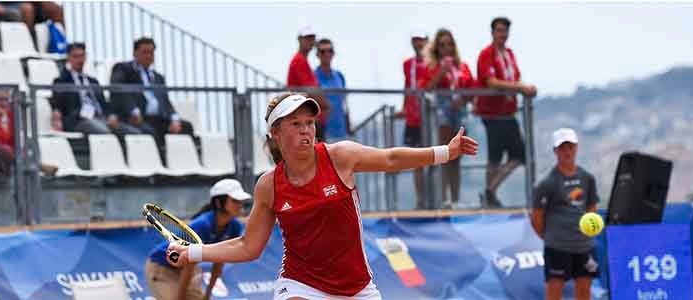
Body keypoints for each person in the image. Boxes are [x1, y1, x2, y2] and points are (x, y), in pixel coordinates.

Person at [167, 93, 478, 299]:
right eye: (295, 124)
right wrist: (194, 253)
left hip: (356, 287)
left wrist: (444, 152)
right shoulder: (269, 185)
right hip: (302, 283)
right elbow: (249, 246)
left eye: (309, 123)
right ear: (276, 133)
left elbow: (391, 159)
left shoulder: (340, 156)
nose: (306, 130)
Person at [145, 178, 250, 300]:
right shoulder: (202, 225)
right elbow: (188, 266)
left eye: (241, 201)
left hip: (188, 267)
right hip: (162, 267)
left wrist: (207, 295)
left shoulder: (234, 226)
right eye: (235, 200)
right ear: (218, 202)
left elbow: (219, 262)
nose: (240, 205)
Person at [475, 17, 538, 208]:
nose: (503, 35)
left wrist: (520, 88)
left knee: (518, 154)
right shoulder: (487, 54)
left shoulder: (508, 54)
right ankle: (489, 193)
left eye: (505, 31)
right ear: (493, 32)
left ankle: (490, 190)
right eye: (499, 31)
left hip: (507, 111)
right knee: (497, 155)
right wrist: (520, 87)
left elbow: (512, 77)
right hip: (493, 112)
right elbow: (490, 81)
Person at [530, 128, 599, 300]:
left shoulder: (587, 178)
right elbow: (537, 217)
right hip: (557, 246)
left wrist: (587, 233)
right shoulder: (547, 183)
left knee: (584, 289)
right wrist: (551, 238)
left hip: (584, 246)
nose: (567, 152)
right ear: (555, 151)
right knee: (555, 290)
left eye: (570, 147)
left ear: (576, 148)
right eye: (562, 148)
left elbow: (591, 207)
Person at [420, 28, 475, 209]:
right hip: (441, 111)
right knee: (445, 153)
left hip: (460, 112)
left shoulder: (462, 66)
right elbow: (426, 87)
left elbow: (472, 88)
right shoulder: (432, 67)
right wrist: (441, 72)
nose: (447, 48)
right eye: (442, 45)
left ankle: (456, 199)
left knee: (457, 157)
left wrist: (464, 98)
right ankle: (443, 198)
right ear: (437, 48)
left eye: (450, 44)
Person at [110, 37, 194, 144]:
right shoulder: (124, 69)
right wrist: (133, 110)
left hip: (159, 118)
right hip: (137, 118)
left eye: (151, 53)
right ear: (135, 53)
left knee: (186, 127)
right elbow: (120, 90)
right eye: (145, 52)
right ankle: (160, 160)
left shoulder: (158, 77)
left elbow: (166, 102)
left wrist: (175, 118)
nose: (148, 56)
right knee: (150, 132)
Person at [51, 43, 141, 135]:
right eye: (75, 56)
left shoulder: (93, 81)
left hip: (101, 118)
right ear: (69, 58)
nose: (80, 60)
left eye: (82, 56)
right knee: (104, 132)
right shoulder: (62, 81)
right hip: (79, 120)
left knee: (134, 133)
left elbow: (104, 104)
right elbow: (58, 104)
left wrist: (111, 115)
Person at [0, 89, 57, 176]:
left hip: (7, 160)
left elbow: (14, 143)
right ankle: (37, 166)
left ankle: (30, 165)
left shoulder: (9, 116)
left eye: (6, 100)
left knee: (26, 147)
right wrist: (3, 123)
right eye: (0, 99)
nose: (4, 104)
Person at [398, 30, 429, 209]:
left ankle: (433, 198)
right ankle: (420, 200)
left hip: (429, 119)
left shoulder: (431, 63)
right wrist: (404, 107)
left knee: (434, 156)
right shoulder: (407, 64)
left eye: (421, 40)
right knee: (416, 158)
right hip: (413, 118)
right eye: (415, 40)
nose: (418, 43)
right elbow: (407, 86)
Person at [287, 25, 330, 142]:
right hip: (309, 118)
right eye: (306, 38)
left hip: (310, 117)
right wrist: (326, 106)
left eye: (312, 38)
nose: (310, 41)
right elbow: (312, 90)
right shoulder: (299, 60)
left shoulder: (301, 60)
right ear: (299, 39)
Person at [313, 38, 350, 142]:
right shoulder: (313, 77)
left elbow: (345, 105)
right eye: (322, 51)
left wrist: (348, 127)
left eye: (330, 51)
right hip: (323, 133)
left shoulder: (340, 76)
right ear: (317, 54)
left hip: (341, 132)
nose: (326, 54)